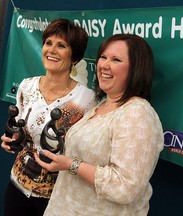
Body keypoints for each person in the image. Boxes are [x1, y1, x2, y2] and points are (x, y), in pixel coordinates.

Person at [34, 34, 164, 216]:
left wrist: (71, 165)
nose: (104, 65)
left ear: (136, 69)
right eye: (103, 57)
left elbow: (125, 187)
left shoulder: (137, 114)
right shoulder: (102, 104)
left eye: (116, 59)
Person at [0, 18, 96, 216]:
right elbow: (20, 130)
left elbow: (86, 150)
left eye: (61, 45)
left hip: (56, 198)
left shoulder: (86, 99)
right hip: (17, 186)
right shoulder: (26, 86)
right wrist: (12, 138)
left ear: (75, 57)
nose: (51, 50)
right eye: (48, 43)